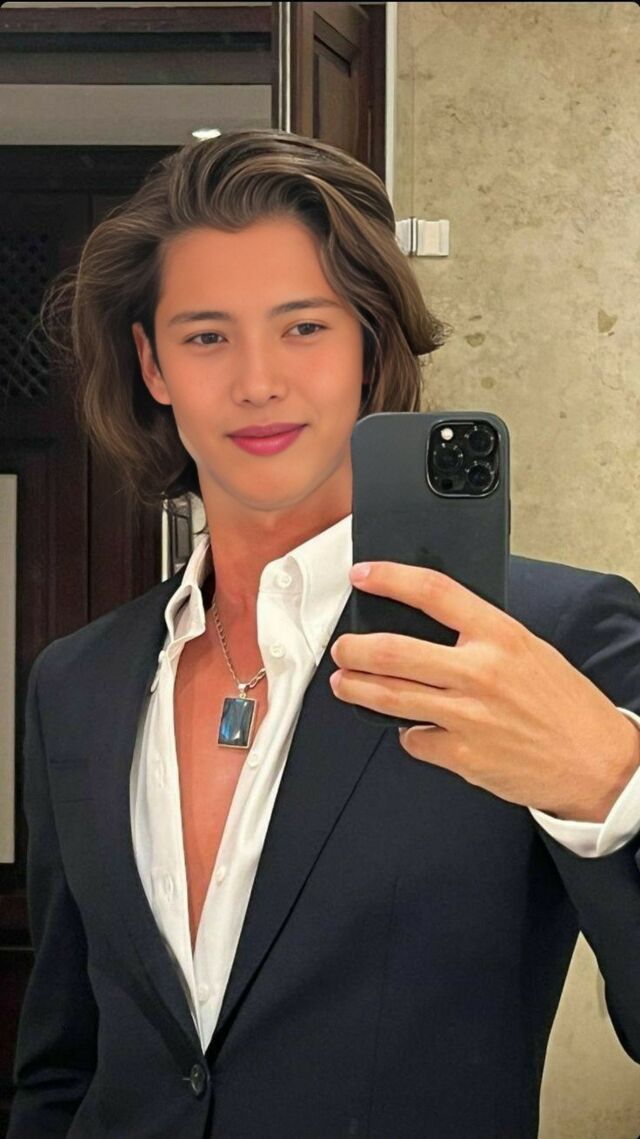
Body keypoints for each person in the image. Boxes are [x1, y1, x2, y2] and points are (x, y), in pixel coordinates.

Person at [8, 129, 640, 1139]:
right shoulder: (73, 682)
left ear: (368, 345)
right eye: (207, 336)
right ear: (153, 363)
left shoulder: (547, 638)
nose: (258, 379)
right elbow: (60, 1060)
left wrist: (611, 782)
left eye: (303, 327)